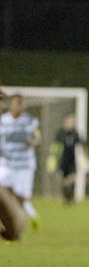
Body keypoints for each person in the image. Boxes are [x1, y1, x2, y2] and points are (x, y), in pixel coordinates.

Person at [0, 94, 41, 230]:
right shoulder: (3, 120)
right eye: (17, 103)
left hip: (24, 166)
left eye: (22, 104)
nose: (20, 106)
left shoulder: (29, 121)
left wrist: (33, 142)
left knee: (20, 198)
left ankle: (27, 218)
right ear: (11, 104)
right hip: (6, 164)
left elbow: (37, 137)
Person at [50, 113, 85, 204]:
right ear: (65, 122)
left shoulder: (75, 133)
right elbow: (55, 146)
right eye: (70, 121)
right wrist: (52, 158)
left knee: (73, 177)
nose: (72, 123)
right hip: (63, 159)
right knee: (65, 179)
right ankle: (67, 197)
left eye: (73, 121)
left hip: (72, 159)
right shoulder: (60, 133)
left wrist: (84, 159)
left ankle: (68, 194)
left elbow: (81, 145)